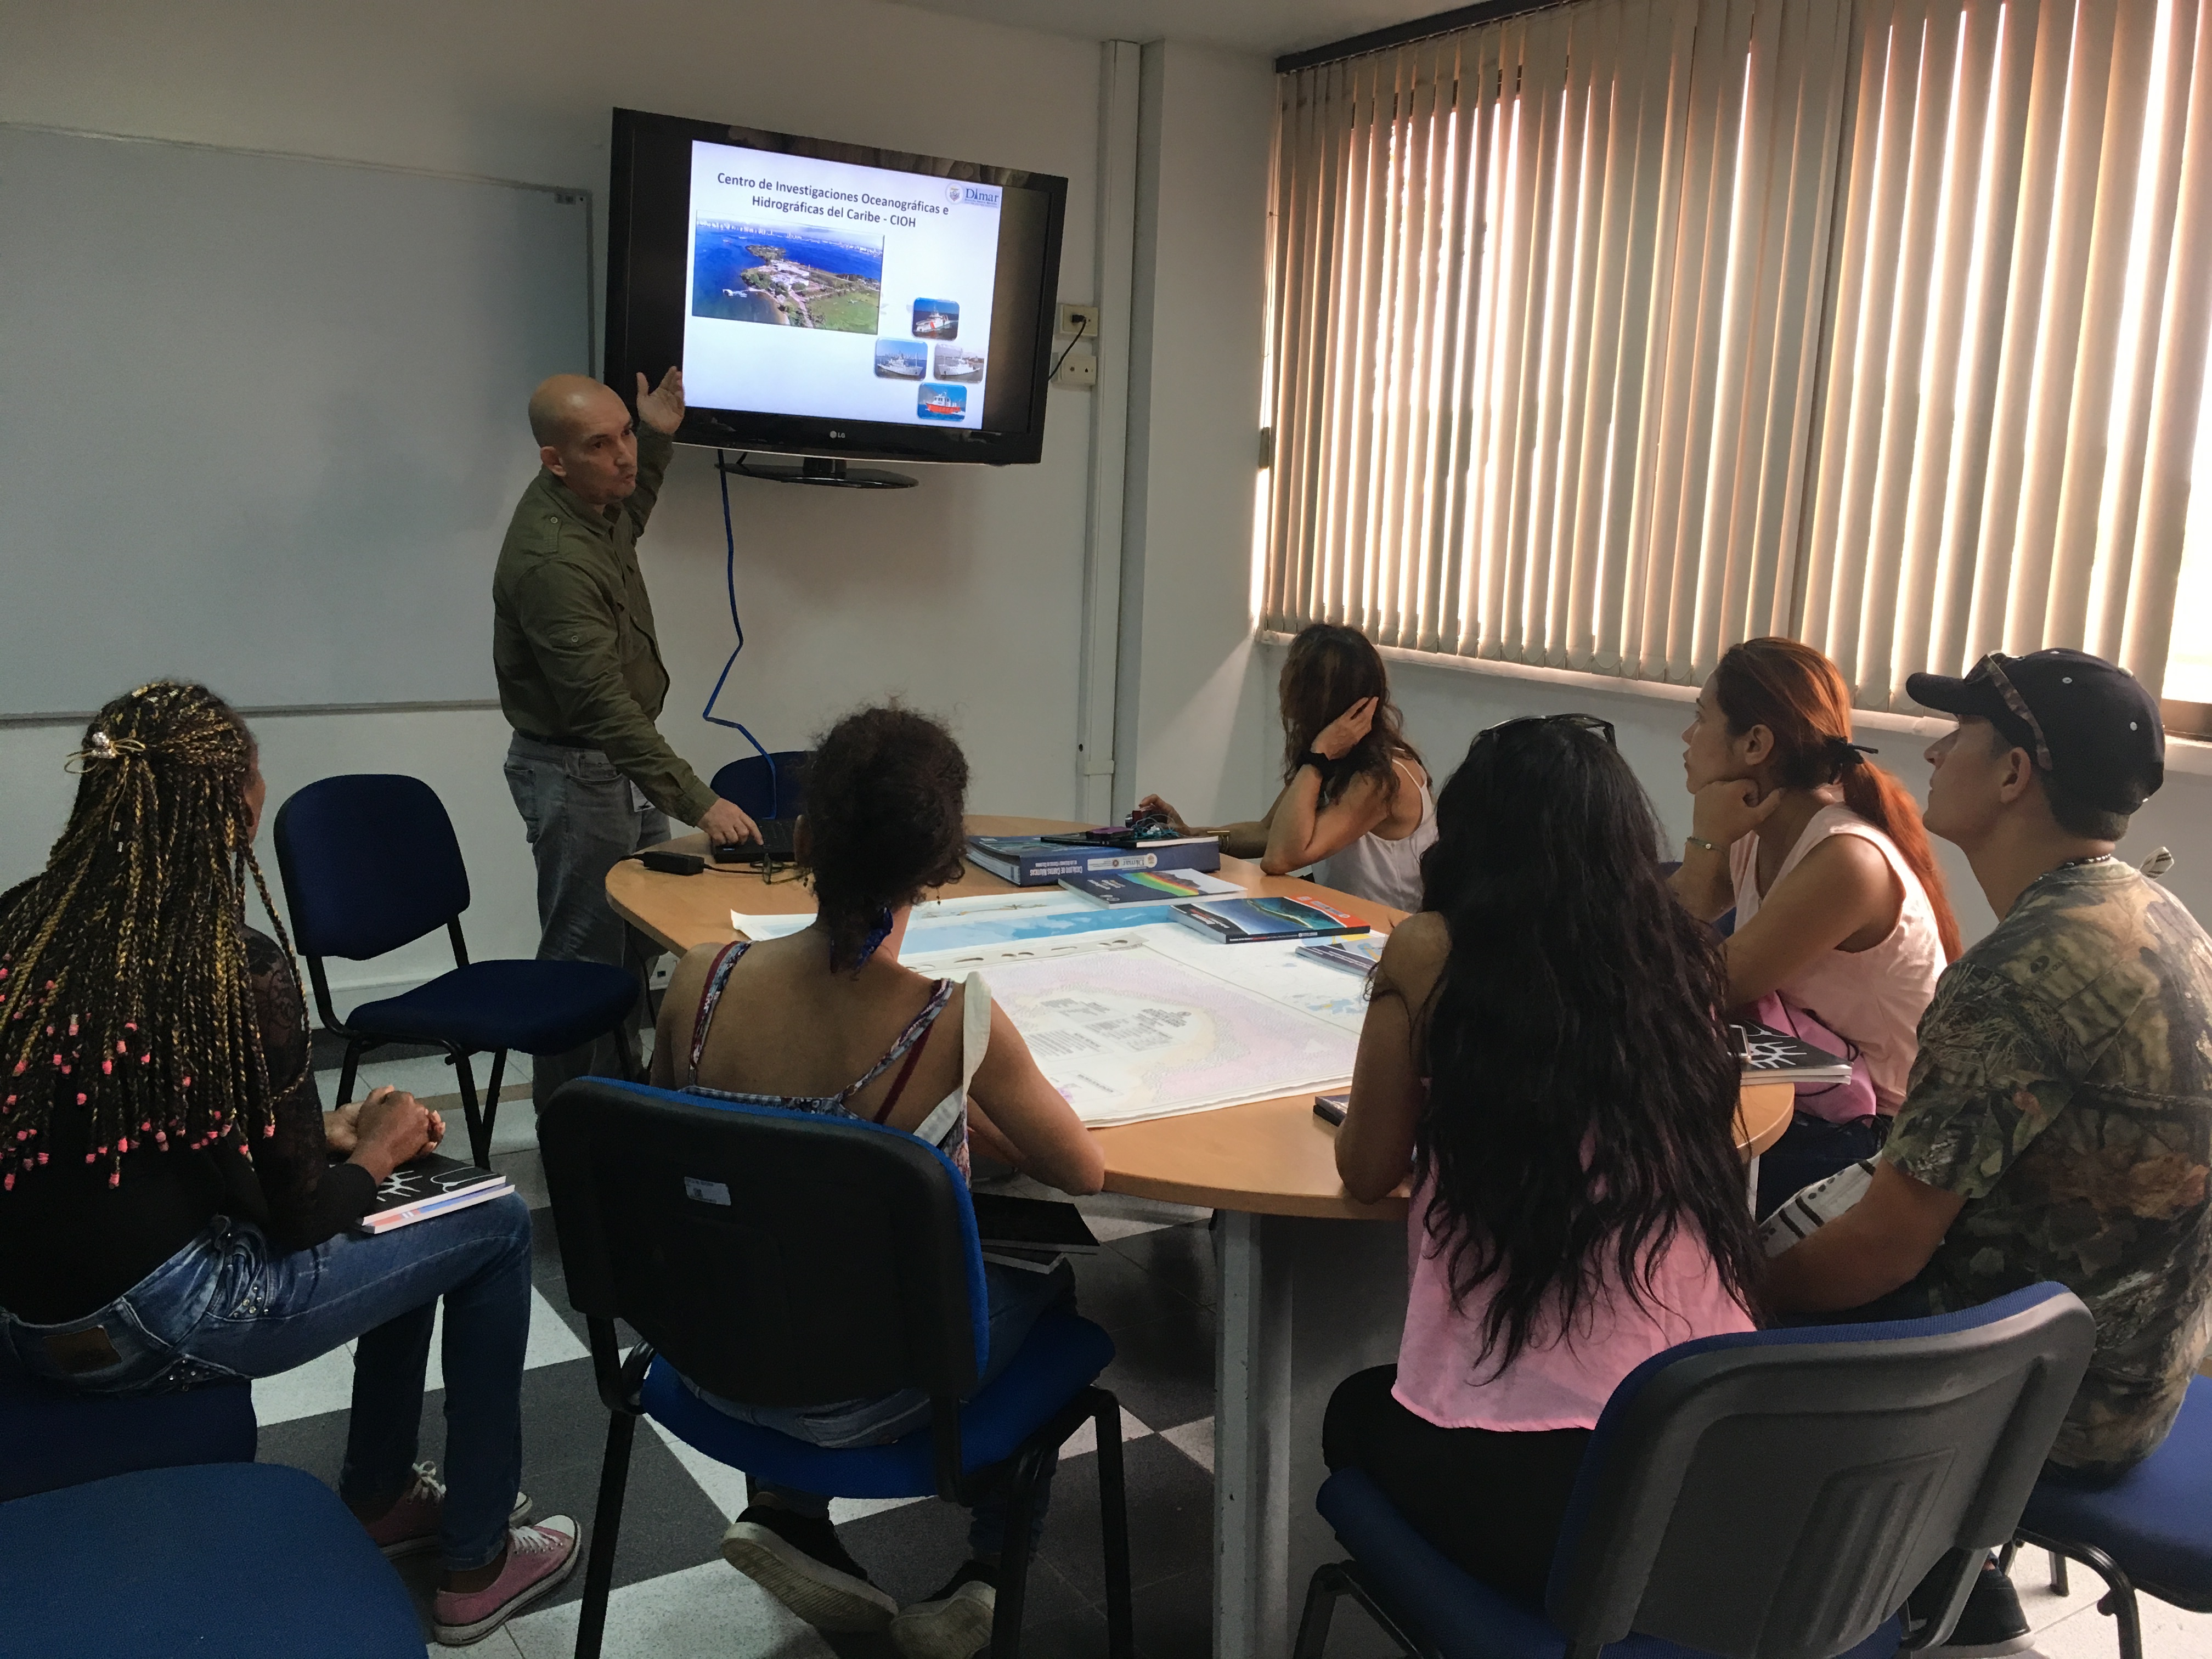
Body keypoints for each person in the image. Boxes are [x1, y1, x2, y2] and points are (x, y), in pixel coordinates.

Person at [0, 682, 572, 1647]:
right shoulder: (234, 964)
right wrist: (378, 1145)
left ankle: (383, 1493)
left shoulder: (28, 927)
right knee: (491, 1217)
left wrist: (330, 1131)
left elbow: (129, 1141)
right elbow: (301, 1215)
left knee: (403, 1211)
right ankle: (476, 1559)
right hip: (159, 1322)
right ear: (243, 804)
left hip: (27, 1323)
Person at [1765, 648, 2212, 1657]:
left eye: (1958, 732)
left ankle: (1883, 1608)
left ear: (2014, 773)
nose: (1931, 746)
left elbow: (1883, 1248)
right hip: (2140, 1368)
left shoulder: (2017, 973)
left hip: (2043, 1404)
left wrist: (1734, 1289)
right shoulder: (2158, 917)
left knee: (1706, 1324)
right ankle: (1969, 1608)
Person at [649, 704, 1105, 1659]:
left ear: (805, 839)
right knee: (1056, 1291)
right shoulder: (946, 1026)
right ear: (943, 866)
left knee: (790, 1243)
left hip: (708, 1353)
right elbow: (1082, 1169)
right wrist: (962, 1103)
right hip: (872, 1390)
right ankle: (990, 1565)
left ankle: (786, 1508)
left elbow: (679, 1137)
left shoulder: (699, 980)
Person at [1327, 713, 1764, 1605]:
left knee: (1351, 1412)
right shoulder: (1678, 960)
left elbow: (1367, 1167)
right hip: (1719, 1448)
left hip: (1560, 1496)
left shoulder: (1434, 948)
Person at [494, 368, 760, 1113]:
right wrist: (699, 801)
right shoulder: (552, 560)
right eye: (601, 444)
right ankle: (576, 1125)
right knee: (584, 960)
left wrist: (659, 439)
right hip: (579, 771)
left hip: (614, 768)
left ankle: (625, 1105)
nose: (623, 457)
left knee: (635, 945)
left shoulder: (592, 505)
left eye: (625, 436)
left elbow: (631, 512)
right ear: (555, 460)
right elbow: (605, 709)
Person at [1669, 638, 1961, 1214]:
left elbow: (1700, 985)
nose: (1686, 737)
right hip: (1809, 1086)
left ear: (1755, 744)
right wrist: (1715, 843)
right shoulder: (1759, 833)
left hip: (1872, 1137)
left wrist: (1706, 839)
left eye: (1701, 718)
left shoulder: (1846, 861)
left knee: (1635, 1170)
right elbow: (1660, 929)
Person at [1137, 622, 1435, 909]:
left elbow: (1280, 857)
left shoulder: (1381, 777)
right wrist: (1191, 836)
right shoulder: (1333, 757)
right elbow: (1269, 832)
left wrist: (1318, 758)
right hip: (1343, 919)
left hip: (1382, 938)